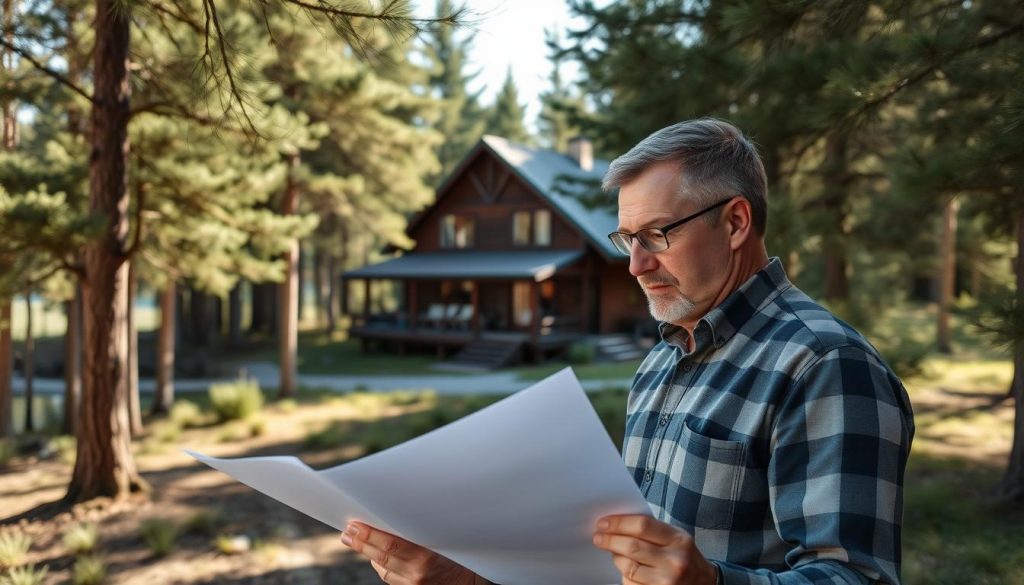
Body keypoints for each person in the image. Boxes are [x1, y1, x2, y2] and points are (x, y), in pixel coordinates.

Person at [340, 119, 915, 585]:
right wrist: (468, 579)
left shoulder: (824, 366)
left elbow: (855, 578)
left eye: (656, 236)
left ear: (736, 222)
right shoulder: (660, 361)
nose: (636, 265)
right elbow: (614, 563)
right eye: (626, 240)